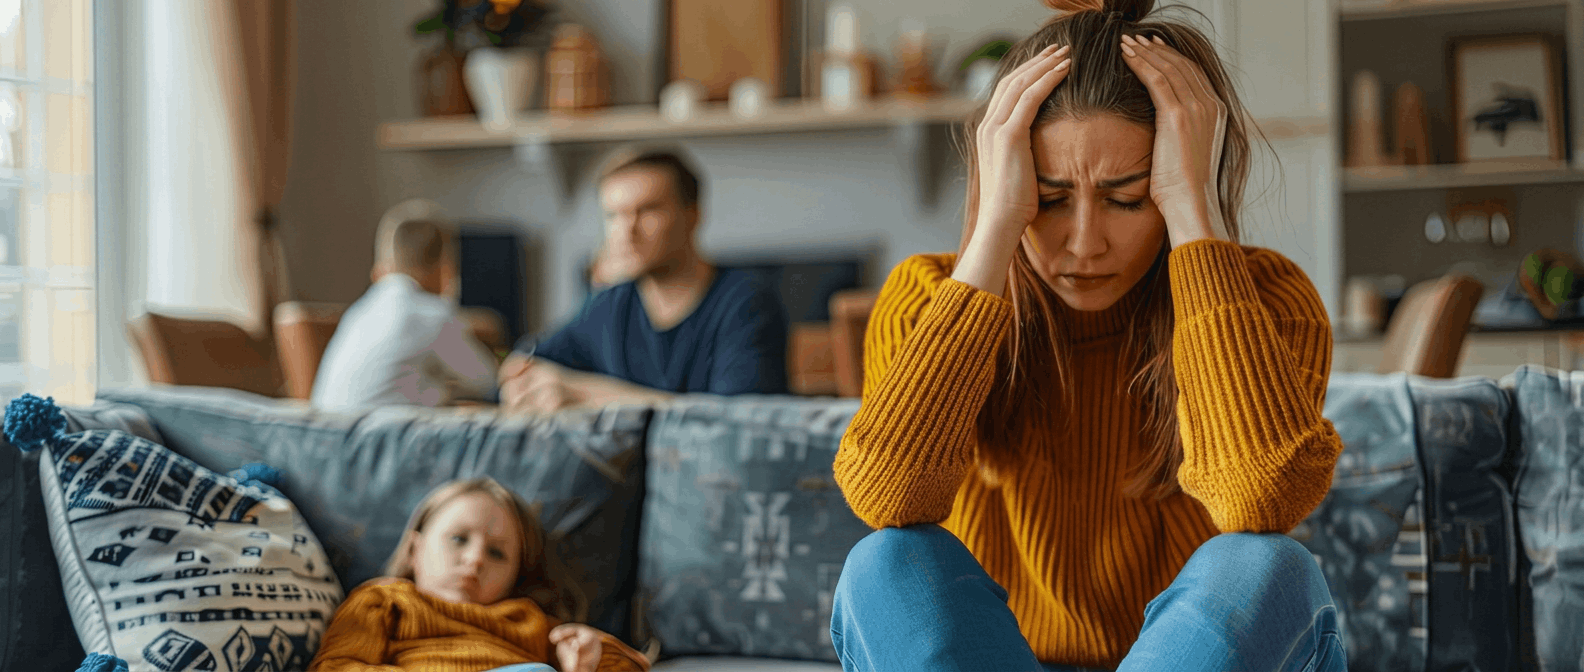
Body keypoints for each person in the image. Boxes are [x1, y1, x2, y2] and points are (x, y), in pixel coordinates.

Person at [828, 1, 1347, 671]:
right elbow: (890, 496)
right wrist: (992, 235)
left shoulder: (1270, 300)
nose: (1084, 243)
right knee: (885, 560)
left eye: (1129, 197)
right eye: (1046, 197)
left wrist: (1195, 216)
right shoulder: (929, 295)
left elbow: (1262, 498)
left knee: (1268, 562)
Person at [498, 148, 788, 413]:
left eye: (647, 211)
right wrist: (517, 374)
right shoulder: (609, 304)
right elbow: (532, 359)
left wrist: (583, 393)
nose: (626, 231)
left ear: (694, 215)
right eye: (614, 216)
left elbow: (735, 426)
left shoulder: (746, 303)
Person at [309, 478, 650, 672]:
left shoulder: (527, 620)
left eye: (497, 553)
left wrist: (593, 654)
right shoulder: (384, 599)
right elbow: (335, 668)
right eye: (458, 539)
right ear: (415, 549)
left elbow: (632, 669)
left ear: (516, 574)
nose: (475, 560)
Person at [312, 200, 499, 411]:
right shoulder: (431, 313)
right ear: (444, 265)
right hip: (379, 439)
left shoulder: (359, 311)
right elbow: (488, 382)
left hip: (329, 433)